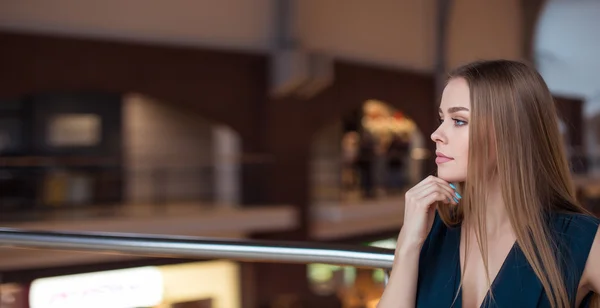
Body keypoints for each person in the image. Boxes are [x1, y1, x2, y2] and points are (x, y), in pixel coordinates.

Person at [377, 60, 600, 308]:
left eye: (459, 120)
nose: (436, 134)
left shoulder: (580, 239)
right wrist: (408, 243)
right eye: (442, 118)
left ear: (511, 132)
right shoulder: (432, 231)